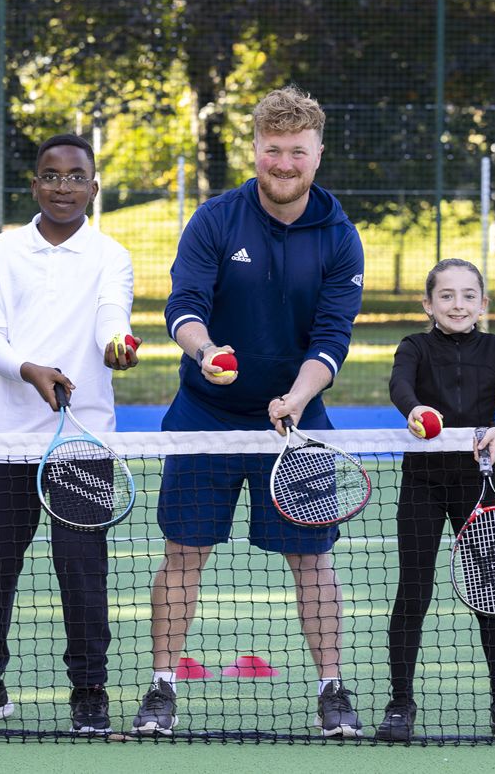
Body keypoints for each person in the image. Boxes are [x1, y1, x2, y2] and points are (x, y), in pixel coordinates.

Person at [130, 86, 365, 738]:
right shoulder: (216, 219)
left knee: (313, 563)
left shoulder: (341, 238)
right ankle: (160, 688)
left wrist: (298, 395)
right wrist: (204, 352)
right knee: (183, 554)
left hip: (296, 422)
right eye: (273, 150)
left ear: (317, 153)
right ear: (255, 150)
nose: (283, 163)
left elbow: (332, 339)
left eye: (297, 151)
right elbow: (183, 305)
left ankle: (332, 690)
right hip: (205, 414)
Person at [0, 133, 136, 736]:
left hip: (83, 442)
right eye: (51, 175)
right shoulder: (2, 252)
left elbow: (110, 318)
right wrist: (29, 370)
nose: (63, 186)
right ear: (34, 183)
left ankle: (89, 689)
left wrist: (114, 348)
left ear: (93, 187)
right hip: (9, 438)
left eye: (76, 177)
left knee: (80, 566)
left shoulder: (111, 256)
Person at [380, 258, 495, 741]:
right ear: (428, 304)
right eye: (446, 295)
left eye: (468, 295)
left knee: (490, 592)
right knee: (414, 591)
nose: (458, 304)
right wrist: (416, 408)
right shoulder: (415, 347)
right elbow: (399, 385)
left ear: (483, 304)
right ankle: (400, 703)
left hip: (477, 486)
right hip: (422, 484)